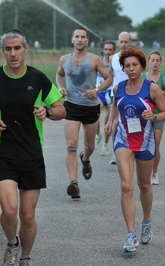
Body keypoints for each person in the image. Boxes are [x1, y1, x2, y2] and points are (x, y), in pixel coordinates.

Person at [0, 28, 66, 266]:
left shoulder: (38, 79)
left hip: (32, 155)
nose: (13, 53)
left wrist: (48, 111)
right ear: (2, 50)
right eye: (8, 49)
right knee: (9, 210)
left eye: (17, 48)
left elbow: (60, 109)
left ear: (26, 49)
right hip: (3, 154)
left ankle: (25, 257)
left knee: (27, 216)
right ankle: (12, 244)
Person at [104, 47, 165, 252]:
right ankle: (130, 235)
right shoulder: (119, 88)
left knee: (144, 185)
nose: (131, 68)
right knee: (126, 186)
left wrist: (155, 117)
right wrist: (110, 121)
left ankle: (147, 221)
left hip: (145, 140)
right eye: (127, 66)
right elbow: (116, 106)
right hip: (123, 139)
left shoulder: (152, 88)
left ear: (142, 67)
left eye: (134, 65)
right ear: (123, 68)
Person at [56, 27, 112, 199]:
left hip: (91, 106)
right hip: (71, 105)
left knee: (89, 145)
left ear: (87, 41)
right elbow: (59, 74)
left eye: (83, 37)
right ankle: (74, 183)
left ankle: (86, 159)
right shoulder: (64, 59)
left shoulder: (94, 59)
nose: (79, 40)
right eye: (76, 37)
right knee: (71, 143)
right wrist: (60, 87)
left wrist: (97, 90)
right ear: (72, 39)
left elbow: (109, 79)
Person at [142, 51, 165, 185]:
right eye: (152, 60)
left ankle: (154, 173)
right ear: (148, 62)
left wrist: (160, 92)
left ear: (160, 62)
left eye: (157, 60)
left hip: (158, 116)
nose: (155, 63)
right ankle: (144, 172)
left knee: (155, 146)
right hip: (144, 116)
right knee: (143, 146)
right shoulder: (142, 77)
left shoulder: (164, 79)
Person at [107, 31, 133, 165]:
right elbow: (111, 74)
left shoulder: (135, 57)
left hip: (132, 92)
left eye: (126, 42)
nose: (123, 44)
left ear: (130, 42)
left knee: (131, 122)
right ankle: (115, 151)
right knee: (115, 123)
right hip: (117, 93)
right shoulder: (113, 58)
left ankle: (133, 149)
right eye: (121, 42)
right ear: (118, 42)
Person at [95, 40, 116, 156]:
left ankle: (105, 145)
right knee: (94, 115)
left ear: (114, 51)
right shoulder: (98, 60)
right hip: (99, 91)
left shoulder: (116, 62)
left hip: (110, 92)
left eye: (110, 50)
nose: (108, 52)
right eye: (106, 49)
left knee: (108, 120)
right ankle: (97, 135)